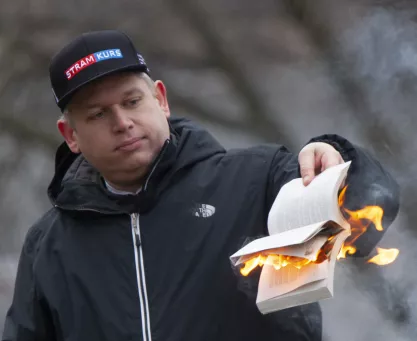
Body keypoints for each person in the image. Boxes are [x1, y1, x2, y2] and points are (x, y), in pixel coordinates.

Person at [2, 30, 399, 341]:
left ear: (161, 100)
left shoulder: (257, 179)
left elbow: (366, 217)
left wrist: (335, 159)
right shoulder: (48, 246)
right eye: (98, 114)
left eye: (132, 101)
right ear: (70, 135)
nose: (121, 122)